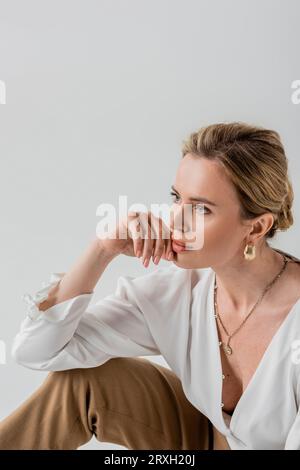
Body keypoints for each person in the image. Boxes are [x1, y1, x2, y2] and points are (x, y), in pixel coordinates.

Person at [0, 121, 299, 450]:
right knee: (81, 379)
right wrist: (103, 249)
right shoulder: (176, 293)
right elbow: (38, 351)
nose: (176, 221)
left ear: (257, 227)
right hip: (202, 442)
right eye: (176, 199)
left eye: (201, 208)